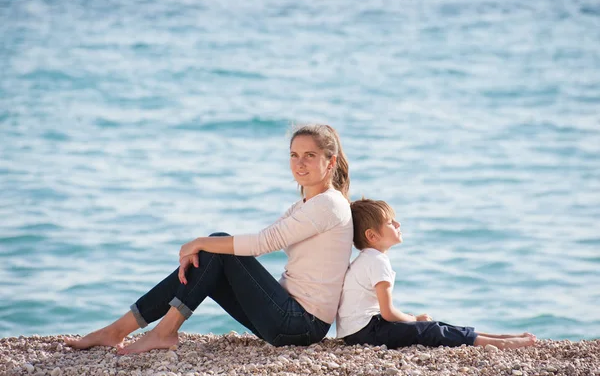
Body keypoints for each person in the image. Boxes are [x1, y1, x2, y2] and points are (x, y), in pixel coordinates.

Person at [65, 124, 354, 353]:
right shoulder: (305, 205)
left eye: (309, 155)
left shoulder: (329, 205)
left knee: (215, 245)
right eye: (294, 155)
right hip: (286, 318)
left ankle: (156, 332)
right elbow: (256, 244)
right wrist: (204, 249)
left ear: (331, 162)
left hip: (300, 325)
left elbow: (263, 242)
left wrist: (199, 242)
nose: (299, 163)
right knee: (212, 257)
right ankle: (122, 330)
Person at [336, 198, 537, 350]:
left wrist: (413, 320)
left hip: (357, 331)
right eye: (390, 222)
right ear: (372, 236)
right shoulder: (378, 262)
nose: (398, 224)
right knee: (430, 330)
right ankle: (499, 343)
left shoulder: (367, 259)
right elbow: (387, 313)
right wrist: (413, 319)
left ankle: (497, 337)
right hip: (365, 333)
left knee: (433, 325)